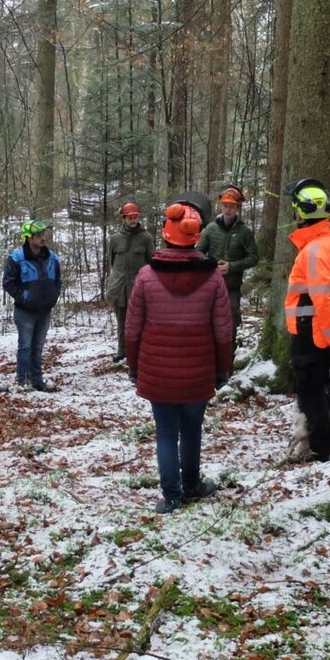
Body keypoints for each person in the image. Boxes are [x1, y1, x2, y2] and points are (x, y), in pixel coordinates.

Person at [125, 202, 233, 513]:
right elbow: (224, 331)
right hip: (199, 373)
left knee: (166, 434)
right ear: (196, 238)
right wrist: (223, 368)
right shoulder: (212, 278)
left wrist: (134, 366)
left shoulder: (146, 277)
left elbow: (132, 330)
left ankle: (172, 496)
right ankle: (192, 486)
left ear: (165, 235)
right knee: (191, 430)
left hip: (158, 373)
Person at [284, 178, 330, 462]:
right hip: (321, 334)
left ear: (301, 213)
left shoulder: (313, 251)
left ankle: (323, 449)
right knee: (322, 391)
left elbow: (322, 299)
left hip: (310, 335)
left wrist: (327, 339)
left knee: (310, 394)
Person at [2, 219, 61, 391]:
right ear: (29, 238)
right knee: (25, 347)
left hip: (45, 310)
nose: (42, 238)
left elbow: (58, 280)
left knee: (38, 347)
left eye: (43, 235)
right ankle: (22, 381)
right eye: (38, 235)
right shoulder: (16, 258)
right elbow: (8, 282)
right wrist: (24, 297)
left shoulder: (52, 257)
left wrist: (53, 296)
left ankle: (37, 380)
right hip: (25, 311)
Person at [198, 184, 259, 347]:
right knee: (208, 320)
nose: (228, 209)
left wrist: (232, 266)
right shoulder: (210, 229)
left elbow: (254, 257)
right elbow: (198, 253)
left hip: (232, 286)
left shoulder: (244, 232)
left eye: (232, 206)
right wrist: (210, 264)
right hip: (210, 285)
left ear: (238, 208)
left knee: (231, 322)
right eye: (225, 205)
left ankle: (228, 357)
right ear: (220, 205)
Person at [106, 202, 153, 362]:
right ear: (123, 218)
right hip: (119, 288)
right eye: (129, 218)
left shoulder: (146, 238)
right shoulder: (114, 239)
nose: (133, 220)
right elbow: (111, 261)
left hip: (138, 287)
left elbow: (151, 263)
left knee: (139, 321)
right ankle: (122, 350)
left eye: (135, 217)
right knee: (121, 322)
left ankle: (139, 351)